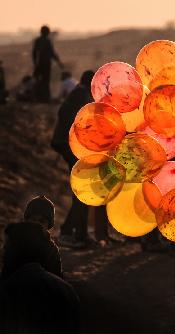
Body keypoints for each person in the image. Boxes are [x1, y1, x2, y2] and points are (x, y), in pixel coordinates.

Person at [52, 70, 111, 248]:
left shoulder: (77, 93)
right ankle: (77, 235)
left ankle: (71, 231)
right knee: (82, 193)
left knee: (81, 194)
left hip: (66, 145)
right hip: (71, 147)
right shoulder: (82, 96)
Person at [0, 223, 80, 334]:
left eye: (7, 246)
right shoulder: (67, 290)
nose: (3, 251)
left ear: (19, 248)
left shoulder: (9, 291)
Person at [1, 196, 62, 279]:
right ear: (26, 220)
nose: (36, 224)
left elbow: (56, 277)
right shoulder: (16, 241)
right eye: (33, 219)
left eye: (41, 221)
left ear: (48, 225)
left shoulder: (51, 249)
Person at [32, 25, 63, 103]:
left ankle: (39, 97)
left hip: (39, 63)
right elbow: (52, 53)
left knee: (39, 80)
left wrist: (35, 63)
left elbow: (34, 53)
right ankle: (45, 98)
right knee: (46, 81)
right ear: (47, 32)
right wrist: (59, 62)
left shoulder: (37, 40)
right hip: (46, 64)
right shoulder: (47, 41)